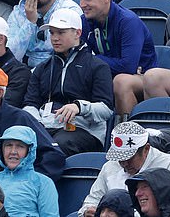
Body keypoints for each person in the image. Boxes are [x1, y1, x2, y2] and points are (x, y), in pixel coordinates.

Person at [22, 9, 114, 154]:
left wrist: (79, 107)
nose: (55, 38)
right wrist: (37, 124)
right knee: (16, 140)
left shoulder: (98, 66)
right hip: (45, 127)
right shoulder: (41, 68)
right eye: (52, 32)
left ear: (77, 33)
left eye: (61, 32)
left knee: (56, 145)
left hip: (84, 131)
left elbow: (107, 109)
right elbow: (30, 104)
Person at [76, 0, 158, 116]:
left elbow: (127, 66)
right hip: (108, 74)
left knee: (121, 82)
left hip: (140, 77)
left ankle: (127, 133)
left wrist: (92, 61)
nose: (82, 4)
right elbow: (79, 59)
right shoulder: (84, 21)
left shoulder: (128, 21)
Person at [79, 122, 170, 217]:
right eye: (119, 159)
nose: (124, 163)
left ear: (146, 149)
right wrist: (88, 211)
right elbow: (92, 201)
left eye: (129, 158)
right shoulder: (109, 167)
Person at [6, 0, 83, 67]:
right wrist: (30, 23)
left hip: (56, 71)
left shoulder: (70, 11)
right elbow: (10, 55)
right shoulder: (19, 10)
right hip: (22, 71)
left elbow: (63, 55)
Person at [0, 125, 59, 217]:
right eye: (8, 145)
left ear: (30, 151)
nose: (13, 151)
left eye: (20, 146)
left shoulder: (43, 183)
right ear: (1, 149)